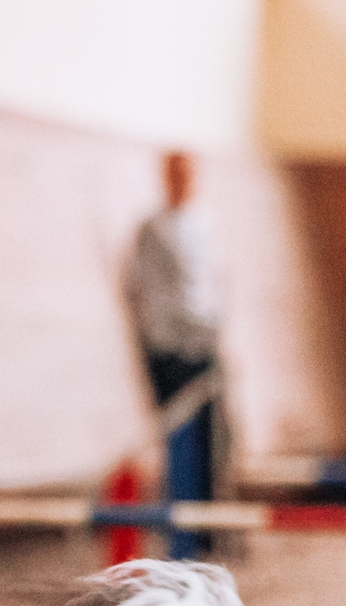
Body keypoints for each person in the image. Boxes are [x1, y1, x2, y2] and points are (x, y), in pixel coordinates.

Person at [125, 151, 224, 559]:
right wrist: (155, 343)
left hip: (204, 345)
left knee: (210, 442)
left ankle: (208, 531)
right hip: (170, 349)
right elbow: (139, 289)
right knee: (177, 441)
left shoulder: (206, 225)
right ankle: (180, 535)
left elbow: (216, 283)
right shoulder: (153, 229)